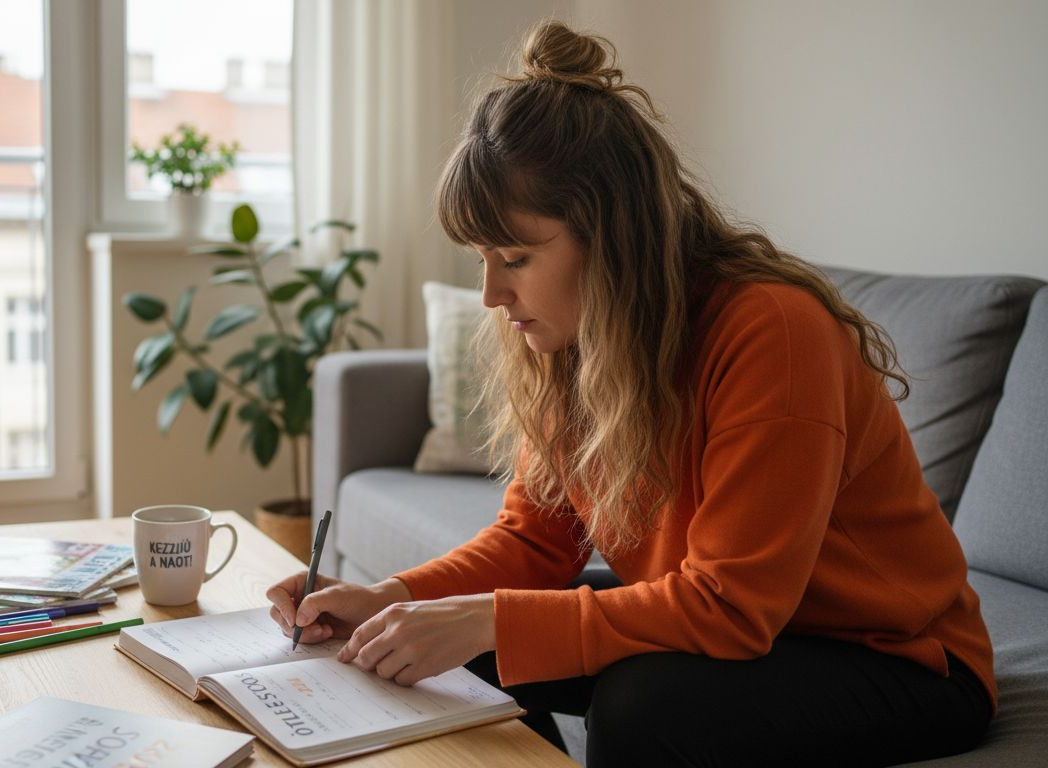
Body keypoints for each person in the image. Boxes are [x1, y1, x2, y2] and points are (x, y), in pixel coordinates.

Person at [266, 20, 995, 767]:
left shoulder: (772, 331)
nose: (490, 293)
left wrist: (487, 620)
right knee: (439, 646)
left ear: (610, 236)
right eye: (483, 259)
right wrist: (389, 598)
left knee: (638, 706)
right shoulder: (574, 340)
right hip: (753, 621)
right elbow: (532, 543)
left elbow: (734, 607)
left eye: (514, 256)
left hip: (898, 659)